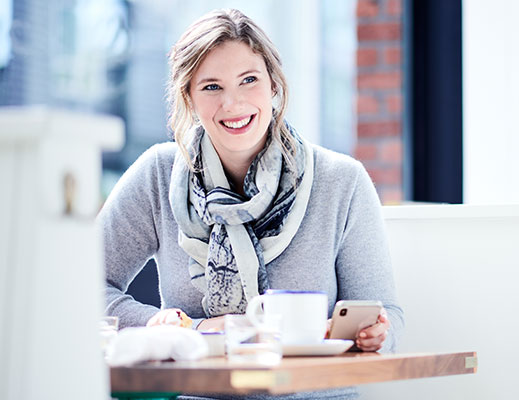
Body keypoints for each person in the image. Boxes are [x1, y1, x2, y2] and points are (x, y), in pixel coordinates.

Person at [98, 8, 404, 399]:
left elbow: (389, 317)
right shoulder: (158, 175)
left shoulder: (341, 181)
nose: (233, 103)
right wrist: (183, 332)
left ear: (274, 86)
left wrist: (378, 332)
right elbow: (77, 288)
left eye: (249, 80)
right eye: (211, 86)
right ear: (188, 96)